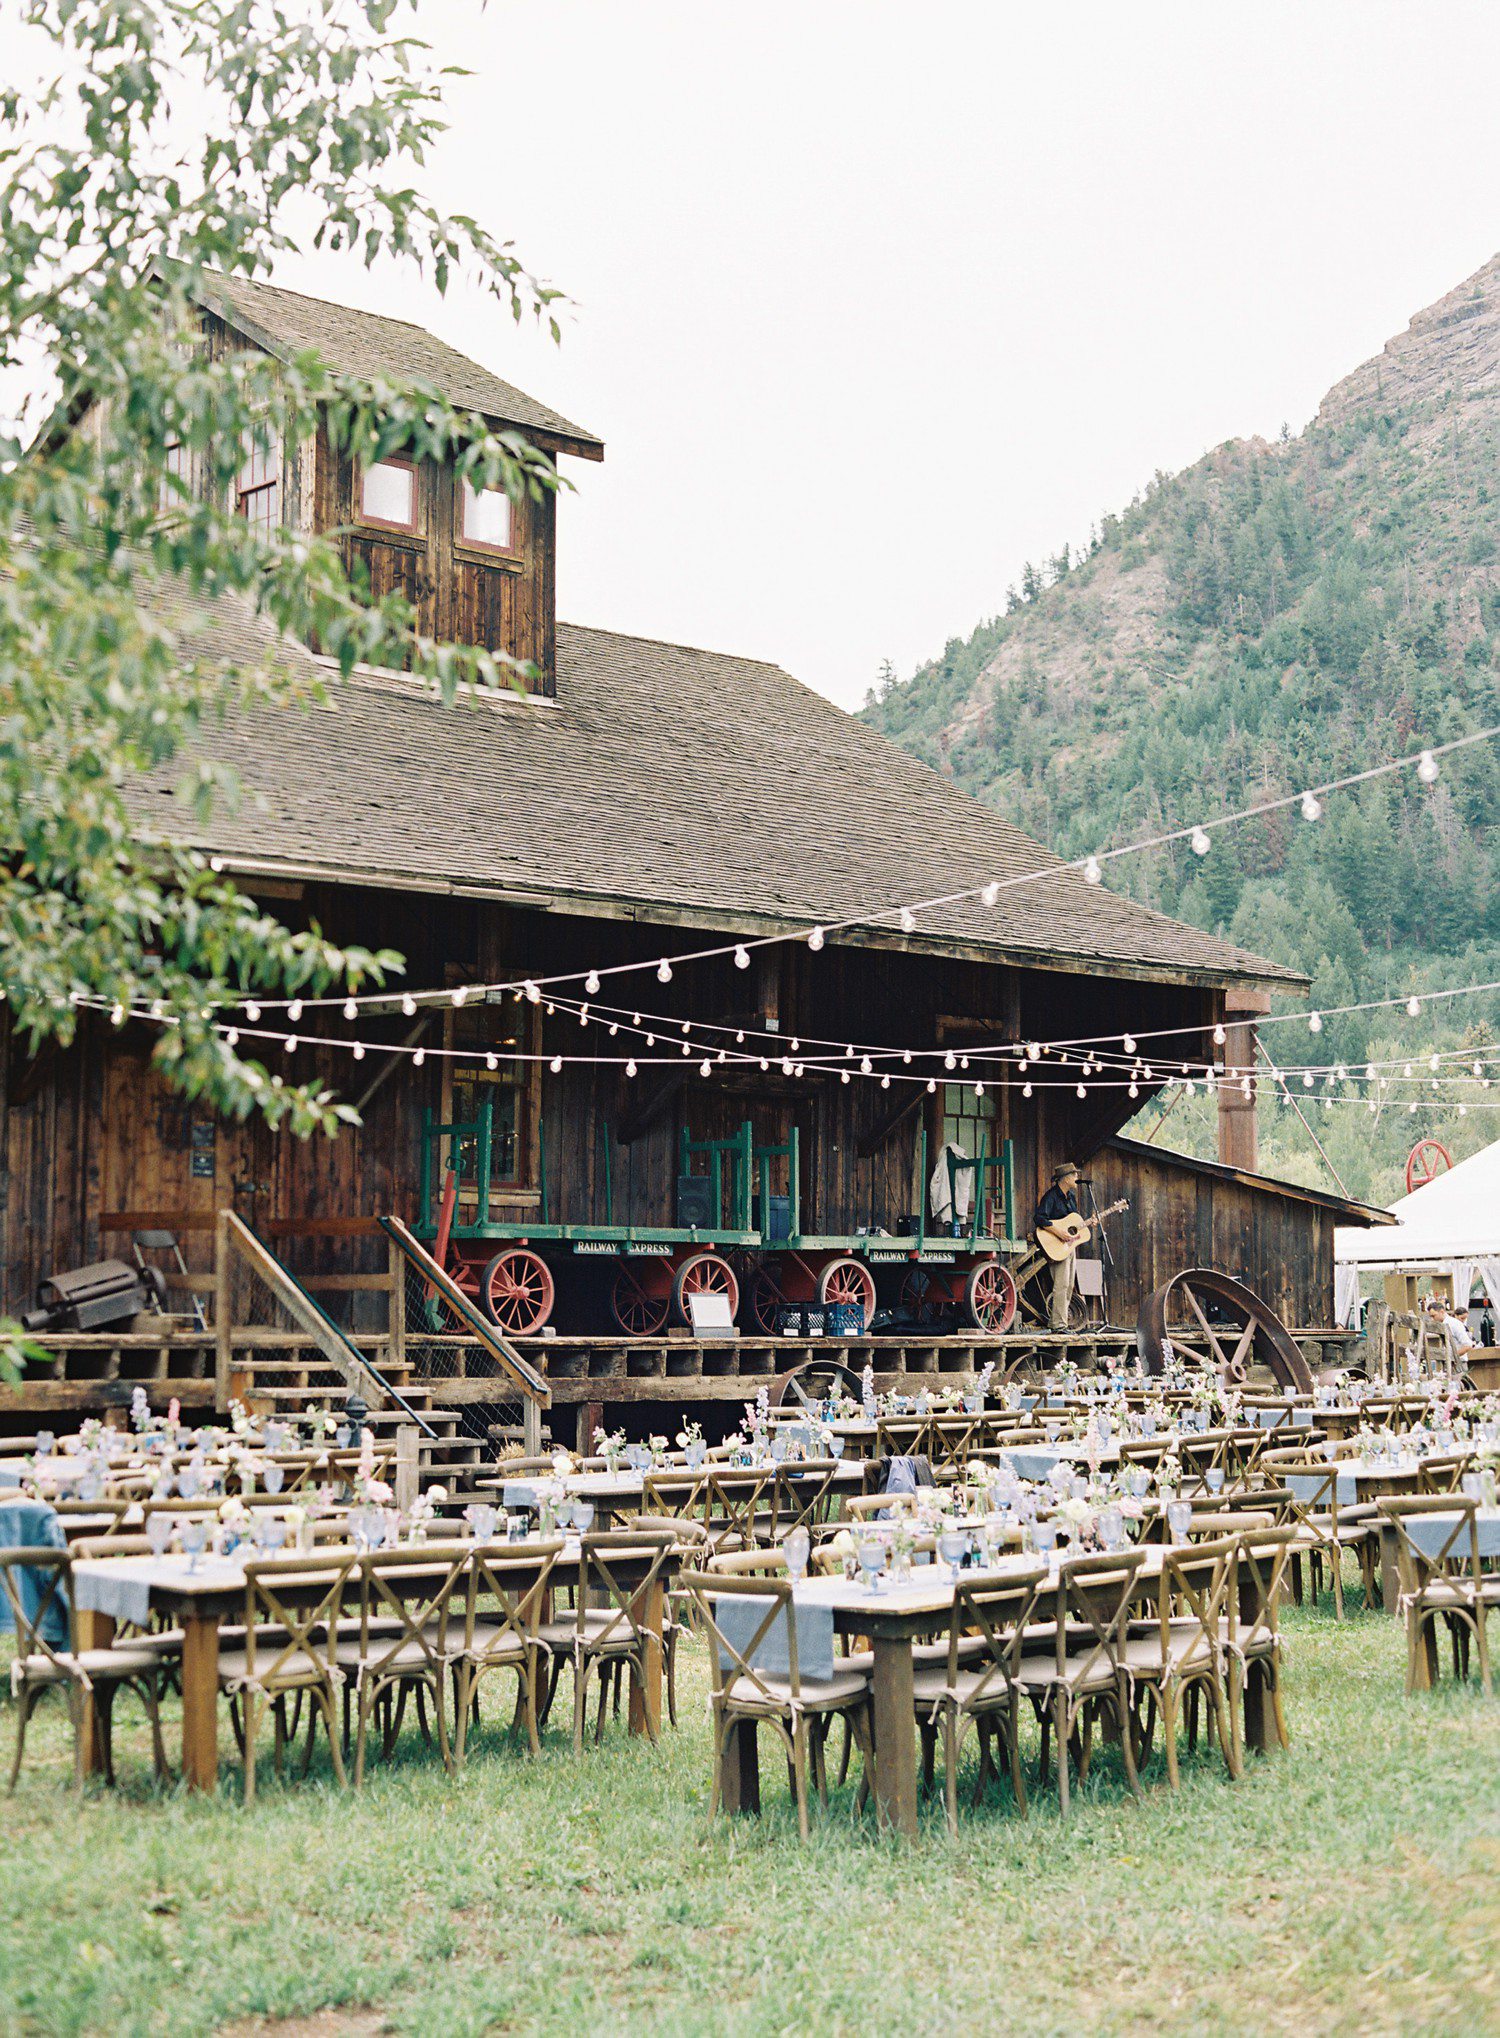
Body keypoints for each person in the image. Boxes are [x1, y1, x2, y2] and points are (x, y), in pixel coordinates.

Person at [1035, 1162, 1080, 1331]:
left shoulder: (1071, 1197)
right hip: (1056, 1244)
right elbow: (1039, 1218)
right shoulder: (1051, 1197)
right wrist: (1058, 1233)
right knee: (1061, 1284)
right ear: (1066, 1178)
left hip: (1069, 1245)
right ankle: (1058, 1325)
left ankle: (1060, 1323)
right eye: (1074, 1175)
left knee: (1068, 1285)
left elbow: (1072, 1221)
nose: (1077, 1178)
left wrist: (1088, 1223)